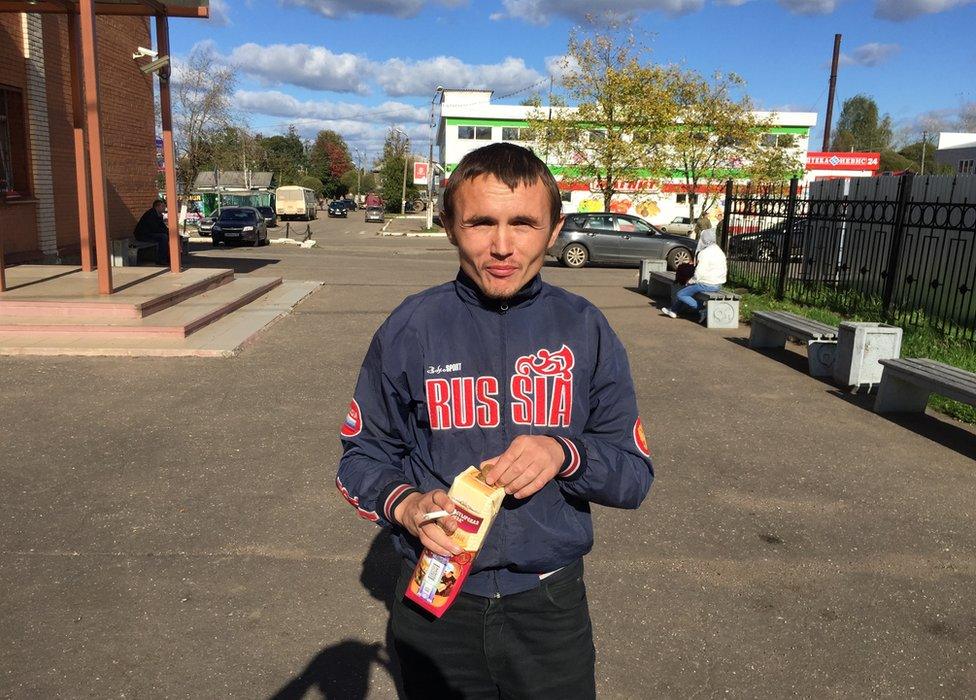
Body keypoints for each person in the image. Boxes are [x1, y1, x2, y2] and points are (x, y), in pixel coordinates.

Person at [336, 143, 654, 698]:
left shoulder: (586, 329)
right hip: (436, 603)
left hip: (549, 608)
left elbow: (634, 474)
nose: (502, 246)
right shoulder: (411, 327)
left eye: (523, 224)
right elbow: (361, 458)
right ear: (449, 226)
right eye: (481, 222)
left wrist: (565, 454)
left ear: (554, 230)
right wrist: (405, 505)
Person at [661, 228, 727, 322]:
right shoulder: (718, 251)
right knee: (686, 290)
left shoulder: (705, 253)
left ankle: (702, 309)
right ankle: (673, 310)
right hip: (718, 283)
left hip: (707, 284)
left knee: (681, 294)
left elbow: (699, 272)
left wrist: (691, 281)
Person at [132, 199, 170, 265]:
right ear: (157, 207)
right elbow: (154, 228)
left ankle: (168, 258)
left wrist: (170, 232)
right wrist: (165, 232)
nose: (164, 208)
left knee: (167, 235)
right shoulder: (150, 214)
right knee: (163, 237)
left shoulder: (159, 215)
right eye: (163, 206)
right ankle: (161, 260)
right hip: (142, 235)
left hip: (150, 234)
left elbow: (162, 227)